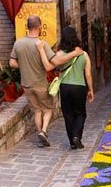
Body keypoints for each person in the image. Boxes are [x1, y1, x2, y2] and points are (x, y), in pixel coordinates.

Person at [9, 16, 83, 148]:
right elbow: (55, 63)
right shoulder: (42, 44)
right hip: (40, 84)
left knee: (37, 110)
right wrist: (73, 54)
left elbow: (12, 62)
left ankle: (40, 135)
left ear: (27, 26)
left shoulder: (18, 43)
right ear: (39, 26)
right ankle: (43, 131)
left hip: (26, 84)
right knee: (48, 109)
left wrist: (25, 65)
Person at [36, 26, 94, 150]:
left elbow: (53, 64)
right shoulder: (84, 54)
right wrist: (91, 90)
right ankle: (77, 137)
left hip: (65, 87)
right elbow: (88, 74)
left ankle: (72, 142)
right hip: (80, 87)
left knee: (68, 114)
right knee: (80, 114)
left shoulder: (60, 54)